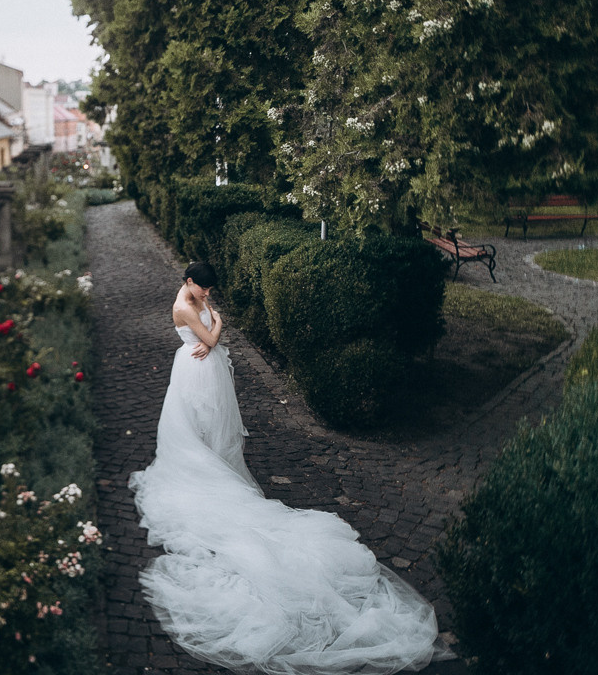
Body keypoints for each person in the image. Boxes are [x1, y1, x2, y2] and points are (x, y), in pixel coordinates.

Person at [129, 262, 453, 675]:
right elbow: (209, 337)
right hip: (194, 373)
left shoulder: (196, 298)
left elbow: (210, 342)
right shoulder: (183, 306)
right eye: (203, 289)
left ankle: (219, 471)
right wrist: (220, 323)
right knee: (196, 430)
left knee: (216, 431)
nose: (208, 296)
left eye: (211, 291)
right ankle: (204, 478)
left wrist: (213, 334)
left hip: (206, 372)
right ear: (188, 283)